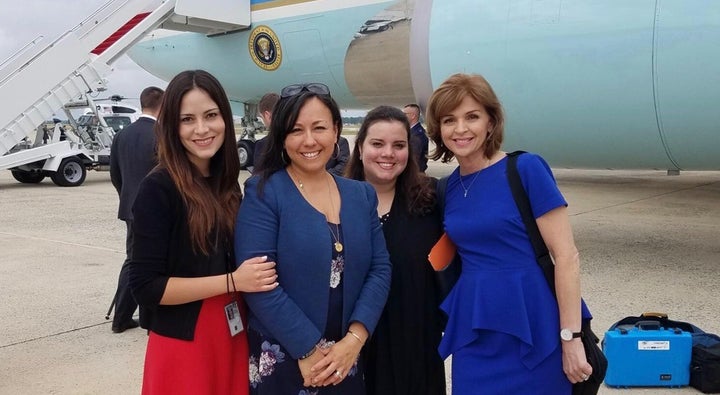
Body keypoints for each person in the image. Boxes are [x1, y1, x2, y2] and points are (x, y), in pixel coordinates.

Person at [425, 73, 591, 394]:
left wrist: (571, 338)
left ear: (491, 122)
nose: (460, 129)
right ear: (439, 129)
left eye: (472, 117)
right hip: (475, 331)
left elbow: (567, 257)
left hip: (536, 326)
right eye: (449, 120)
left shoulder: (525, 169)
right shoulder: (447, 189)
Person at [234, 82, 392, 394]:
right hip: (285, 356)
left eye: (319, 128)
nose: (309, 140)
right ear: (282, 137)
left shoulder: (360, 195)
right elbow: (260, 283)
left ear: (336, 131)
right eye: (296, 130)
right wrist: (306, 349)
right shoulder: (265, 192)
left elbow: (380, 268)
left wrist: (354, 340)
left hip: (346, 356)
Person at [127, 70, 278, 394]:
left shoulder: (226, 185)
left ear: (225, 117)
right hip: (186, 343)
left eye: (211, 115)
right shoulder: (159, 188)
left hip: (232, 335)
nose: (202, 129)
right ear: (171, 126)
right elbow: (145, 287)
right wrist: (232, 281)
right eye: (187, 119)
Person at [345, 105, 446, 395]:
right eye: (377, 144)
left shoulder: (432, 200)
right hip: (355, 347)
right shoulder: (336, 203)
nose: (388, 153)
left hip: (416, 346)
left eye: (398, 145)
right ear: (360, 148)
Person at [109, 85, 164, 333]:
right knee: (158, 263)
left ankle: (122, 316)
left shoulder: (122, 135)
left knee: (134, 261)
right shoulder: (161, 134)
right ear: (162, 106)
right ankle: (148, 319)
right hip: (158, 209)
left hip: (131, 208)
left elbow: (115, 174)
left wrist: (127, 199)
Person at [249, 92, 279, 174]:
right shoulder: (294, 138)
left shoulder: (263, 145)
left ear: (267, 115)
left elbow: (258, 180)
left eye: (261, 117)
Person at [403, 104, 429, 172]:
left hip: (413, 175)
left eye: (405, 114)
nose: (402, 116)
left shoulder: (417, 135)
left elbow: (414, 160)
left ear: (413, 116)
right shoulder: (412, 132)